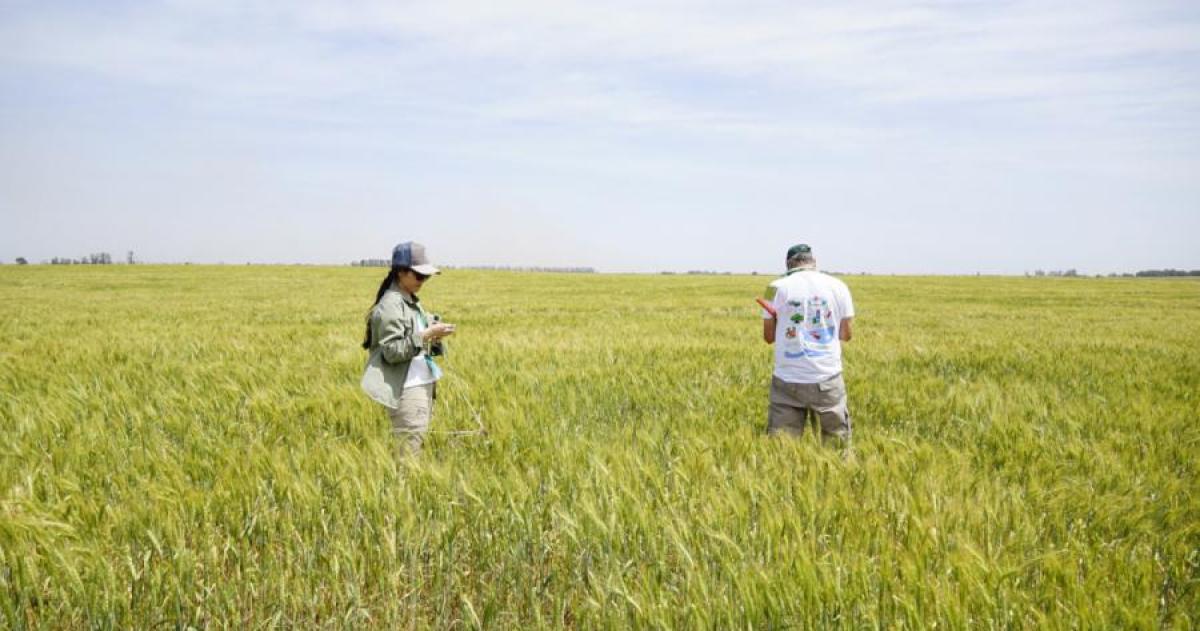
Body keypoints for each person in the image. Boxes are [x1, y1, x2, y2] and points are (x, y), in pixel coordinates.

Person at [361, 242, 456, 456]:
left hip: (422, 385)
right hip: (407, 390)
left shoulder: (410, 301)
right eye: (419, 276)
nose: (423, 281)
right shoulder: (390, 305)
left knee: (415, 450)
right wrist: (425, 336)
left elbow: (416, 340)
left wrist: (434, 334)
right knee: (408, 457)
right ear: (401, 272)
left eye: (427, 277)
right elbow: (392, 351)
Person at [761, 243, 855, 444]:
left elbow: (768, 336)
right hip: (827, 377)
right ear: (814, 262)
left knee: (781, 451)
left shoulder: (773, 288)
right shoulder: (839, 286)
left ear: (788, 264)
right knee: (836, 447)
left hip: (787, 380)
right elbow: (846, 334)